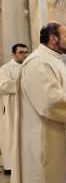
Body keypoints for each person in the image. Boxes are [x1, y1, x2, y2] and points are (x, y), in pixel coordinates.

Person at [11, 21, 66, 183]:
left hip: (57, 133)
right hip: (45, 138)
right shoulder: (38, 62)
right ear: (53, 38)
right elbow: (51, 103)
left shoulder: (52, 58)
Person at [0, 44, 29, 175]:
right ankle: (10, 166)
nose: (25, 55)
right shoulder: (5, 69)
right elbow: (3, 86)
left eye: (26, 52)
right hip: (12, 109)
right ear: (13, 54)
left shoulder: (29, 67)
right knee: (11, 137)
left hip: (27, 108)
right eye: (21, 52)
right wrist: (19, 82)